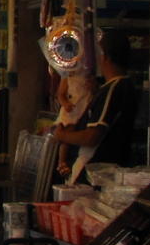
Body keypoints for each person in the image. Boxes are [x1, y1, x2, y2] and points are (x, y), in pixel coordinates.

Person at [51, 29, 138, 178]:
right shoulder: (113, 88)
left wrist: (62, 135)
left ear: (106, 57)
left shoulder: (114, 88)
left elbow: (92, 137)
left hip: (95, 174)